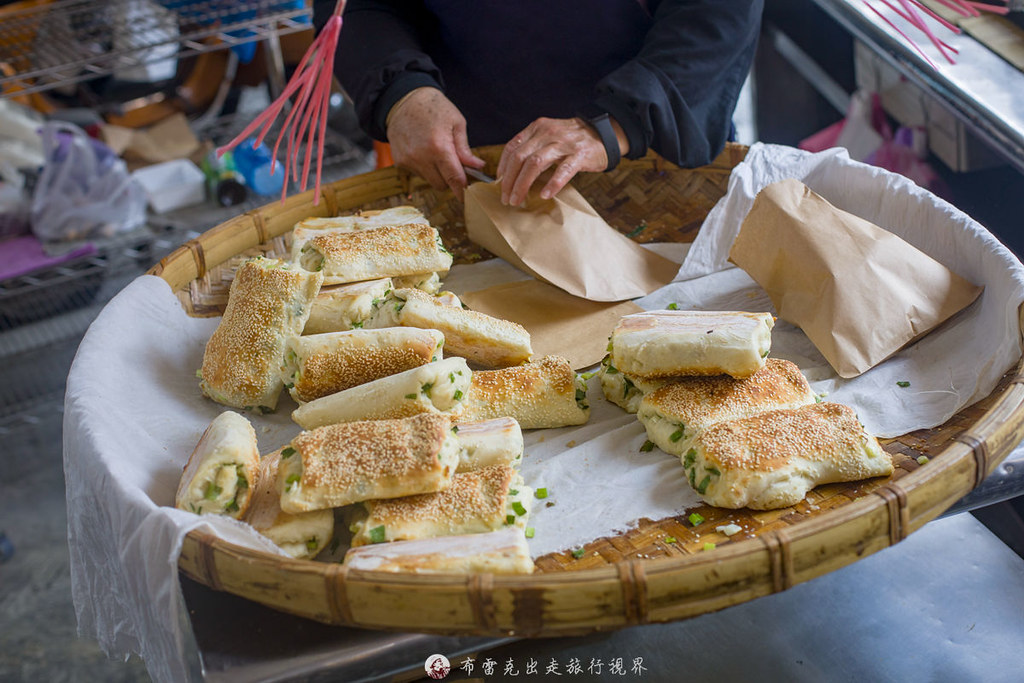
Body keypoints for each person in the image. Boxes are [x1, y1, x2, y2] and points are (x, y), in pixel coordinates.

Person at [318, 1, 763, 205]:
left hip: (650, 163)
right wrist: (401, 89)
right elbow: (357, 6)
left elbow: (717, 15)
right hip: (467, 173)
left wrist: (617, 124)